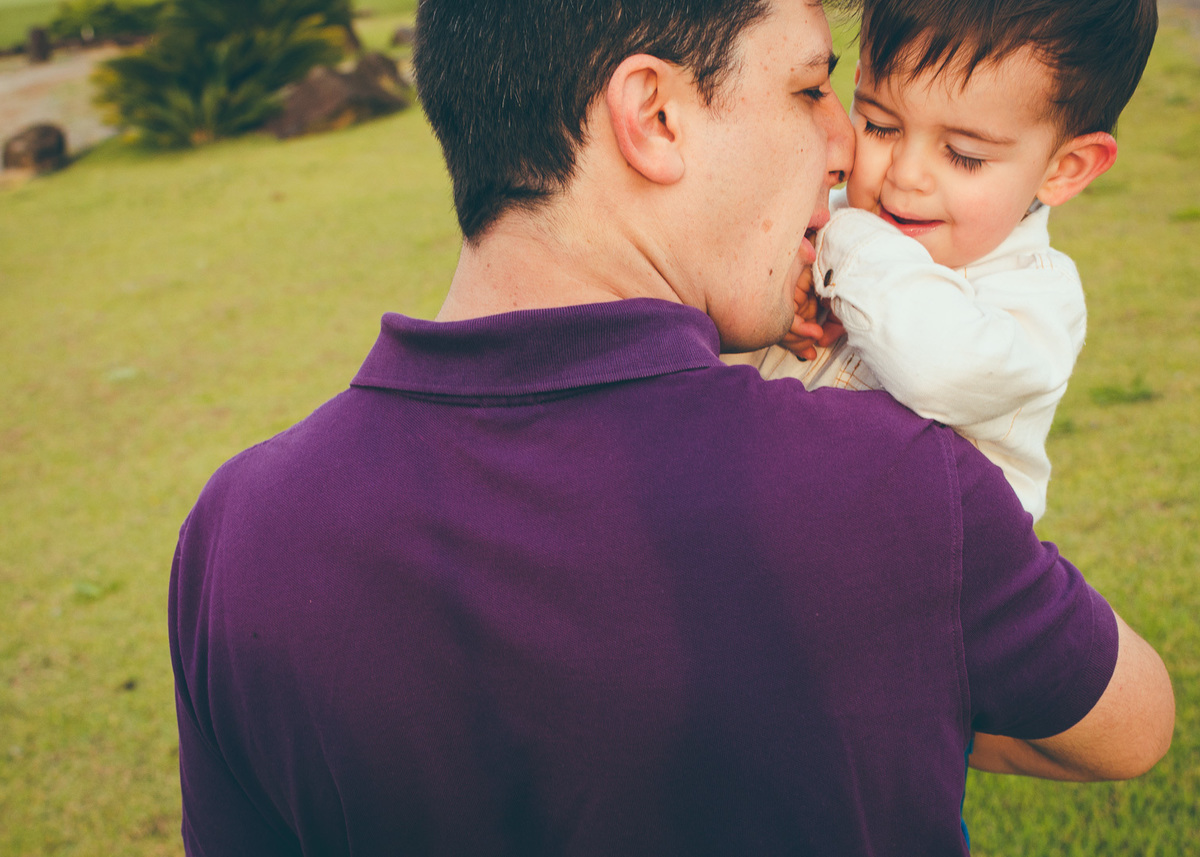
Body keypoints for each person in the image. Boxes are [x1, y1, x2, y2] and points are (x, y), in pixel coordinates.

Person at [169, 1, 1174, 855]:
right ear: (653, 115)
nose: (845, 149)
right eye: (812, 91)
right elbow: (1134, 726)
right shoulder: (889, 487)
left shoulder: (234, 534)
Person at [725, 0, 1160, 523]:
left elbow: (940, 368)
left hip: (922, 581)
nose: (906, 175)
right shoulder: (822, 227)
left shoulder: (1037, 300)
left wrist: (840, 244)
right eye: (881, 125)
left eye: (964, 156)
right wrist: (777, 310)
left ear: (1064, 168)